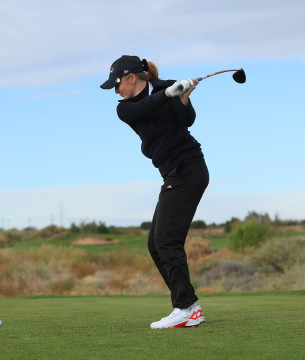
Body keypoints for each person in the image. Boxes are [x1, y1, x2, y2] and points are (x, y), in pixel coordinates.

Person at [100, 55, 209, 329]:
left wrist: (182, 99)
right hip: (173, 174)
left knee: (166, 242)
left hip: (189, 169)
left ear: (131, 78)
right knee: (156, 245)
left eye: (117, 84)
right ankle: (189, 307)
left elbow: (187, 121)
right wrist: (171, 93)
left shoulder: (168, 88)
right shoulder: (125, 109)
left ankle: (186, 308)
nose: (116, 91)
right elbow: (146, 107)